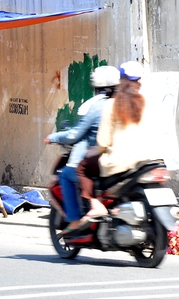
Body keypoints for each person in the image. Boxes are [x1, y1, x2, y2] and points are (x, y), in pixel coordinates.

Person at [76, 60, 155, 225]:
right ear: (139, 82)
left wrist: (94, 151)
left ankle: (95, 204)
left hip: (119, 163)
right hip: (146, 160)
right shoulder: (146, 103)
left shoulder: (111, 104)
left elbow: (103, 141)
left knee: (82, 167)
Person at [45, 65, 120, 232]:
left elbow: (75, 134)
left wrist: (53, 137)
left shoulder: (97, 106)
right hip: (131, 158)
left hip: (106, 158)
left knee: (68, 173)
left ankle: (74, 220)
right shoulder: (131, 101)